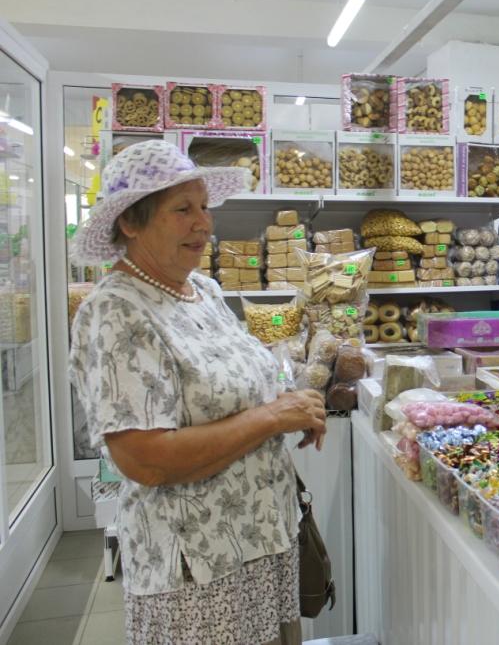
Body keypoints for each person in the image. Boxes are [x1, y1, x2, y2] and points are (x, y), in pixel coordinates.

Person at [68, 140, 327, 645]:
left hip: (260, 542)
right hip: (197, 569)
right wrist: (274, 417)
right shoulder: (116, 313)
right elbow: (146, 460)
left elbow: (240, 375)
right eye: (182, 209)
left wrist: (296, 395)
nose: (204, 223)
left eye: (205, 207)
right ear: (131, 223)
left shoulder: (201, 290)